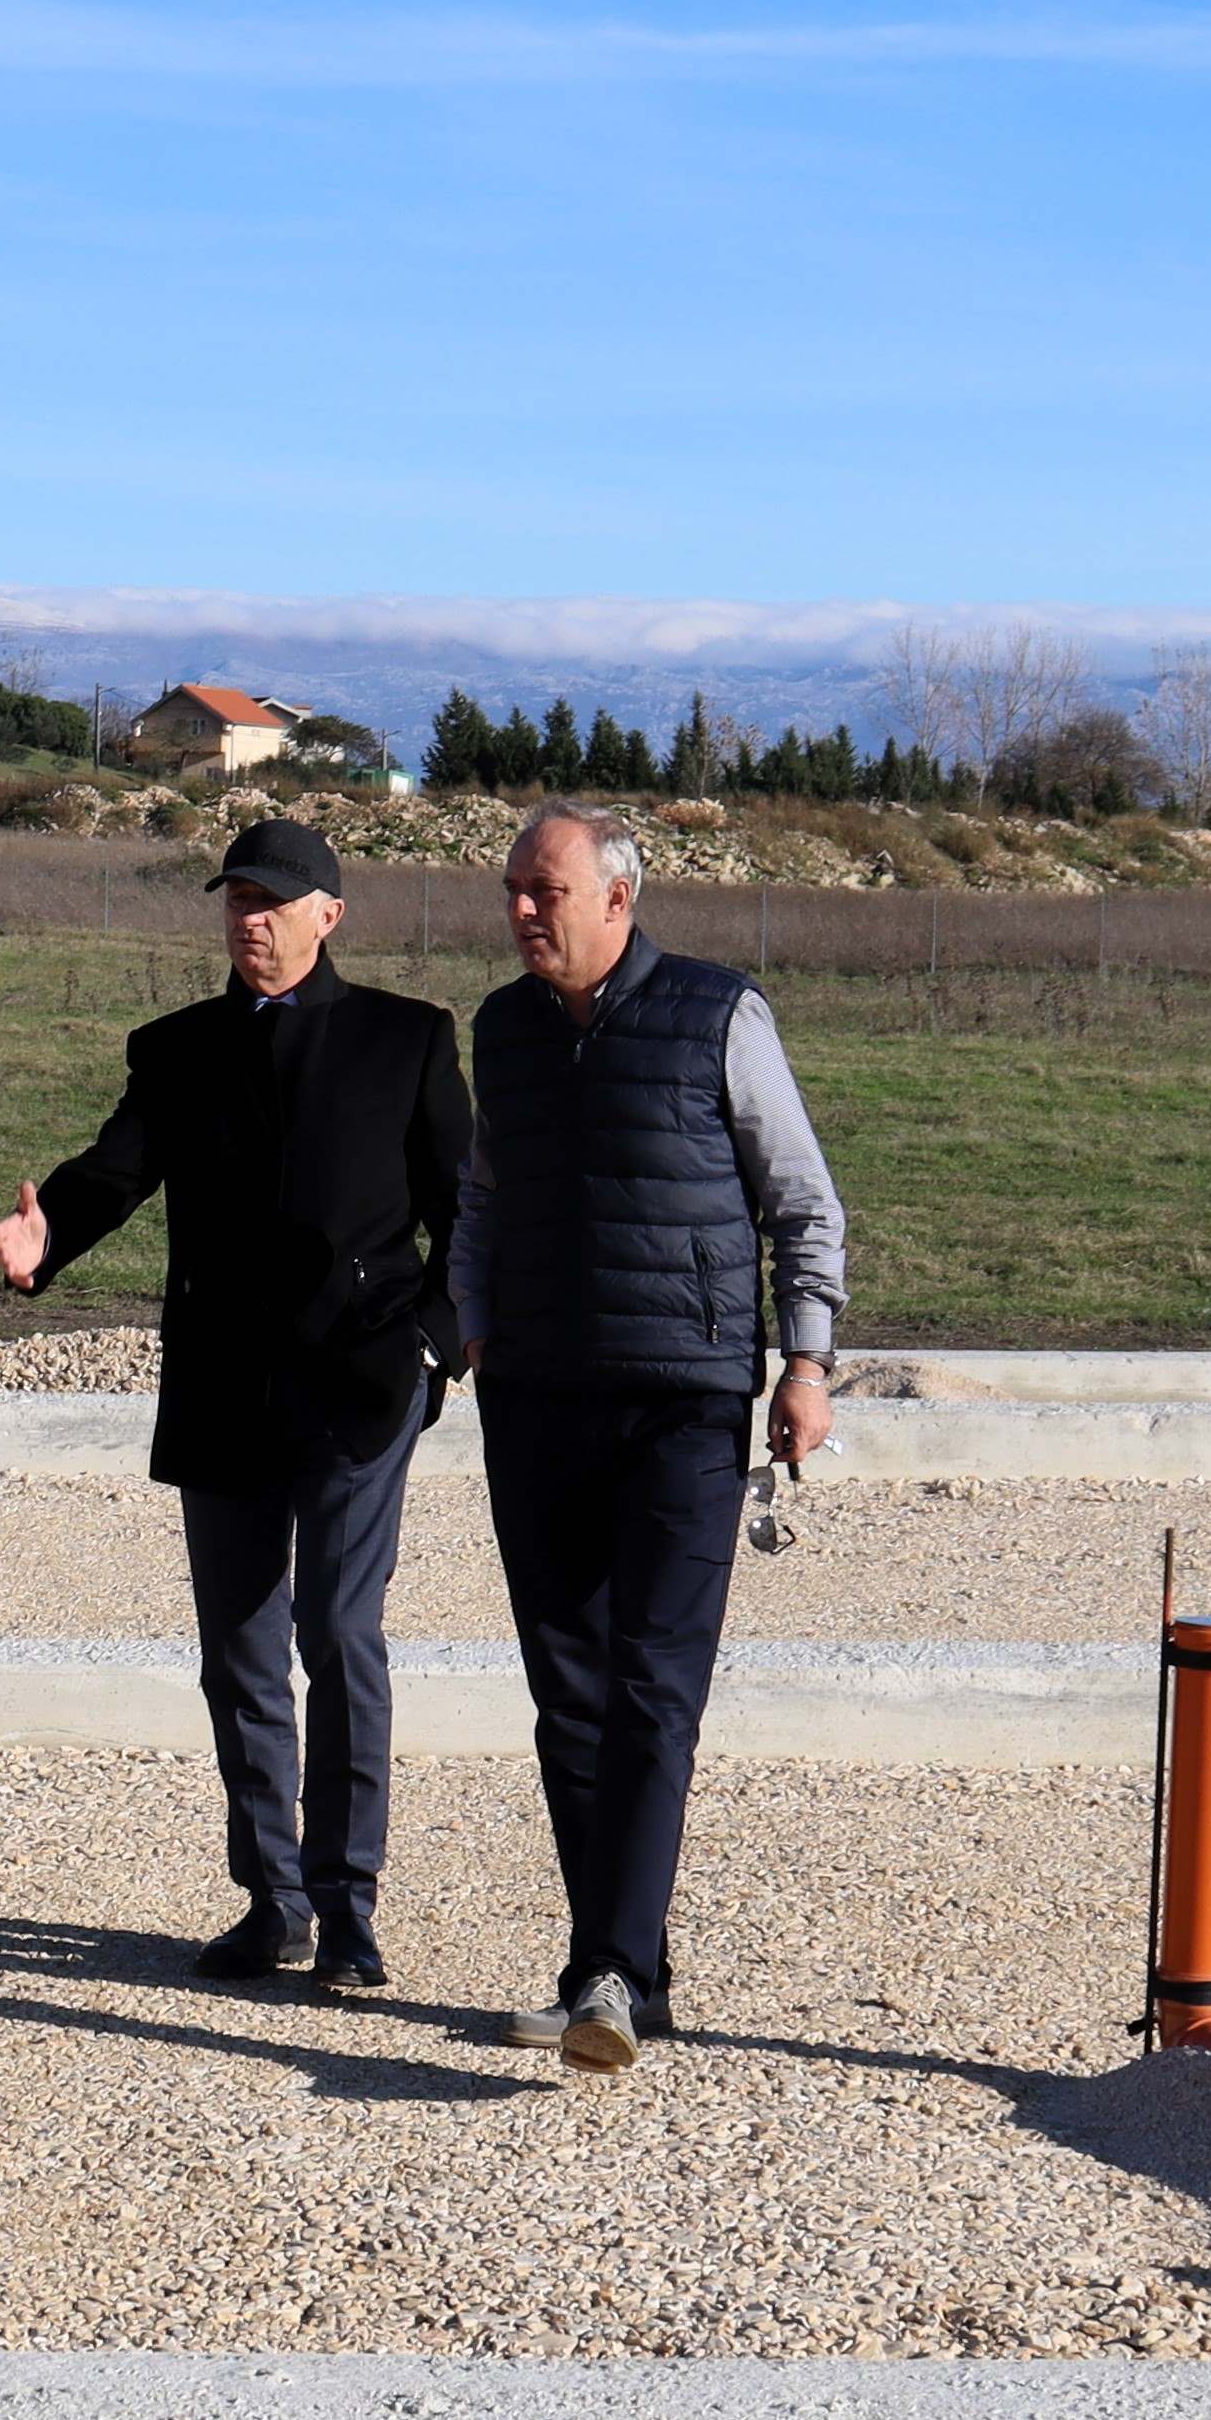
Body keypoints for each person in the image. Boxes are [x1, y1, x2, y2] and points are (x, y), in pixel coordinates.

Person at [0, 817, 466, 1991]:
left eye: (273, 900)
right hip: (223, 1387)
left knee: (337, 1636)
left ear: (328, 914)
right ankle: (275, 1899)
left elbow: (468, 1209)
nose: (250, 919)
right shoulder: (178, 1047)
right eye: (235, 899)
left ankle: (349, 1912)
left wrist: (435, 1348)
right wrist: (44, 1235)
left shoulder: (403, 1040)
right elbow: (114, 1170)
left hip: (359, 1383)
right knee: (239, 1651)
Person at [456, 803, 849, 2072]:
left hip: (681, 1402)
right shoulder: (502, 1029)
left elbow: (800, 1201)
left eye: (544, 889)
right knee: (566, 1695)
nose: (522, 910)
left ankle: (609, 1970)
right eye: (513, 888)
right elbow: (482, 1193)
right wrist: (467, 1316)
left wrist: (804, 1362)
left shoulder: (717, 1014)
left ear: (617, 900)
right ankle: (622, 1971)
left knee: (650, 1688)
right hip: (532, 1397)